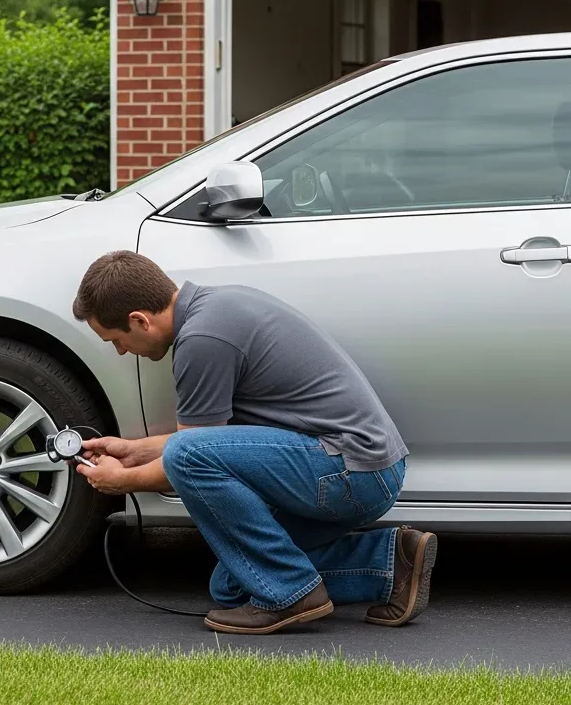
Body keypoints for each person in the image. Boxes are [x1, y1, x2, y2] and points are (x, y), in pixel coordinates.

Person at [71, 250, 437, 635]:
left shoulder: (202, 339)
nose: (121, 351)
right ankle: (390, 562)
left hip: (349, 471)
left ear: (139, 320)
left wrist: (121, 482)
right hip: (362, 468)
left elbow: (190, 456)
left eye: (116, 340)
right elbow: (205, 444)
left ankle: (291, 595)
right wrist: (133, 452)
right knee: (231, 585)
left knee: (187, 458)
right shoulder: (216, 307)